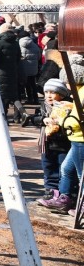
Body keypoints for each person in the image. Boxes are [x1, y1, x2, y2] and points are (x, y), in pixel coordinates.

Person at [38, 78, 84, 213]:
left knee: (79, 174)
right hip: (69, 139)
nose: (49, 95)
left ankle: (77, 202)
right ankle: (63, 198)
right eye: (46, 92)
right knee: (65, 169)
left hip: (75, 140)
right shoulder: (76, 93)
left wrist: (60, 121)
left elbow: (75, 120)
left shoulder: (75, 98)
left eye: (53, 92)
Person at [0, 23, 21, 119]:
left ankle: (3, 118)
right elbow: (18, 58)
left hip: (0, 73)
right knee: (14, 95)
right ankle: (18, 116)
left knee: (2, 97)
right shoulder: (16, 43)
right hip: (13, 71)